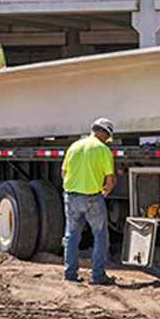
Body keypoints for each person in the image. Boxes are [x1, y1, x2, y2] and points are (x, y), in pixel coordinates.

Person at [62, 117, 117, 285]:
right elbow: (110, 179)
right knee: (100, 236)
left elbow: (64, 171)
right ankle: (98, 275)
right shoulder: (103, 149)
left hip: (71, 196)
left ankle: (70, 273)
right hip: (93, 197)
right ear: (105, 134)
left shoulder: (74, 146)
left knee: (72, 236)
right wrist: (105, 192)